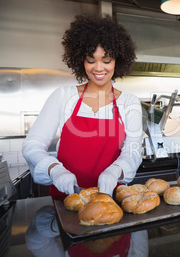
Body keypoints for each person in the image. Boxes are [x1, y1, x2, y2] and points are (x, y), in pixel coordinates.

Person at [22, 14, 143, 198]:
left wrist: (115, 171)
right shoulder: (63, 96)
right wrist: (55, 170)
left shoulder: (129, 102)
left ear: (118, 60)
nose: (98, 68)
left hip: (110, 202)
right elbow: (33, 145)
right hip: (67, 200)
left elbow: (133, 152)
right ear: (81, 60)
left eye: (106, 60)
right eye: (91, 60)